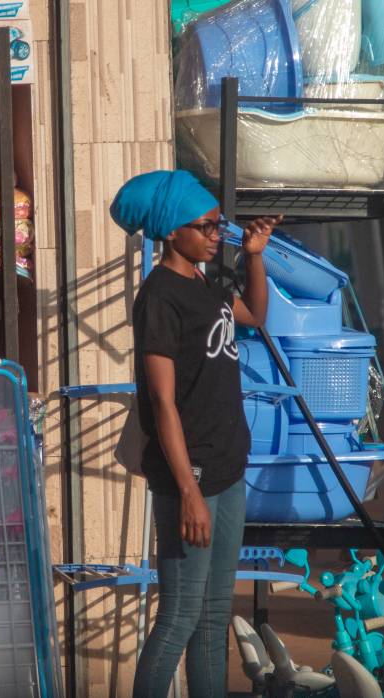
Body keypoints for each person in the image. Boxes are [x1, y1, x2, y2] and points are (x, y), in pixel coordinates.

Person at [110, 170, 278, 697]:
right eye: (205, 227)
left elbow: (255, 313)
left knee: (212, 616)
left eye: (218, 225)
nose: (214, 235)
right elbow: (162, 403)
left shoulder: (208, 283)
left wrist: (253, 255)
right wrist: (187, 492)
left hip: (227, 467)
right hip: (192, 475)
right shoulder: (159, 297)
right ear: (171, 232)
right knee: (180, 614)